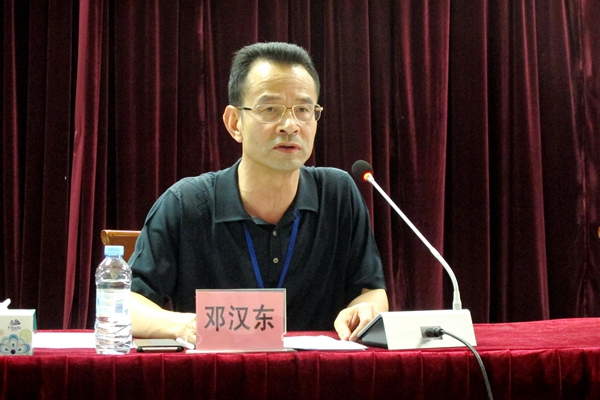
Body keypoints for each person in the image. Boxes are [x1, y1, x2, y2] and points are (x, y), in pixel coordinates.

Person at [129, 42, 388, 344]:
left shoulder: (337, 194)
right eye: (270, 109)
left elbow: (371, 291)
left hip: (316, 369)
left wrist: (364, 310)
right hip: (218, 369)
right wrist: (186, 325)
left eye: (303, 110)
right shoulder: (186, 203)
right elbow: (125, 305)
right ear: (234, 123)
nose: (290, 125)